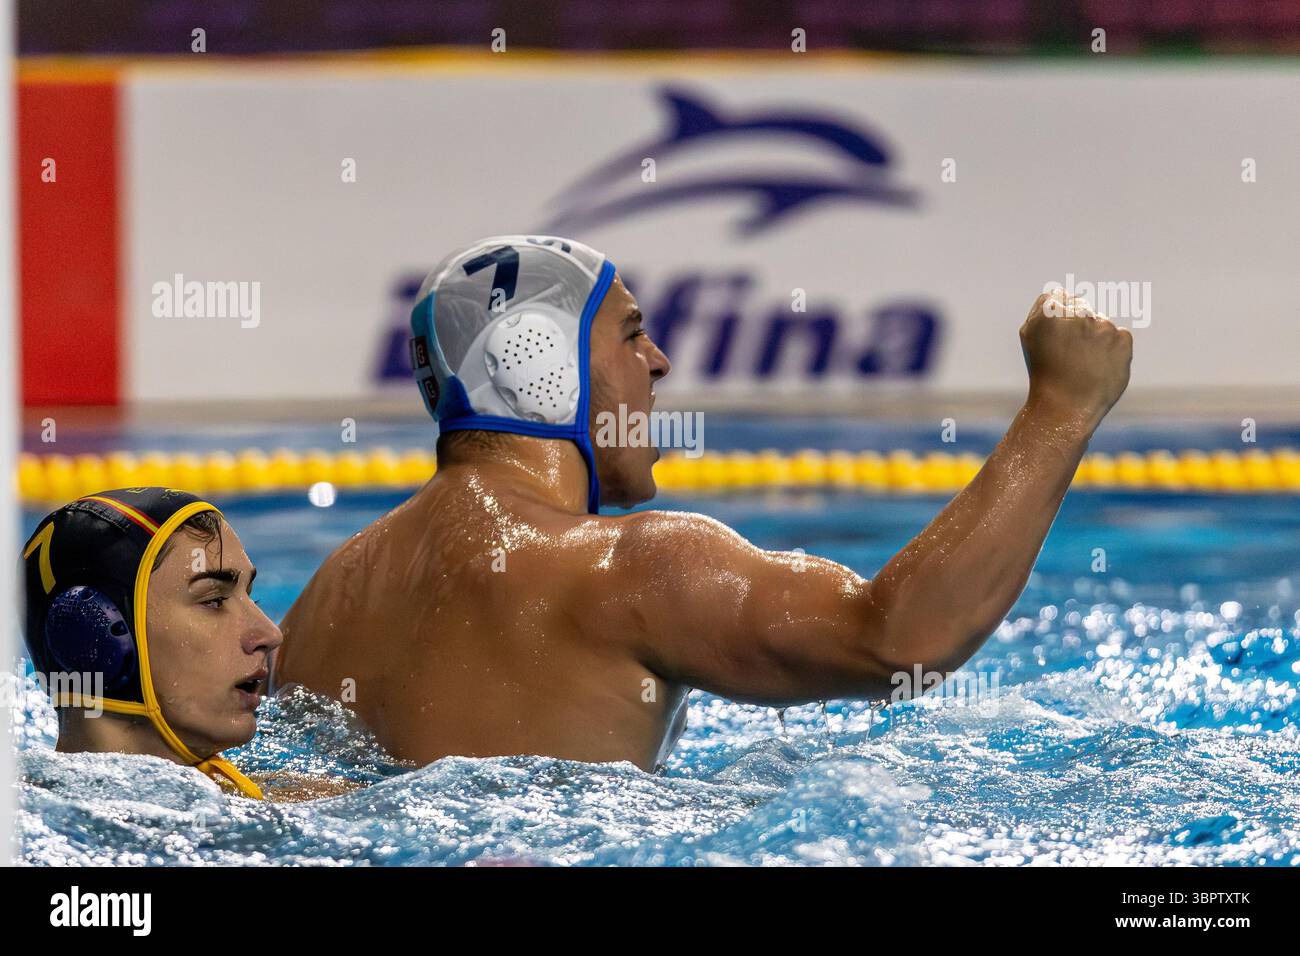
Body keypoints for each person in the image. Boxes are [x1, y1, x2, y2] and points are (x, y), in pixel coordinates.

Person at [273, 234, 1133, 772]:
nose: (658, 362)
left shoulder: (324, 602)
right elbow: (898, 641)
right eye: (629, 332)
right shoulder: (630, 566)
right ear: (537, 361)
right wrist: (1060, 409)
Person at [22, 488, 290, 797]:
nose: (270, 634)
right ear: (96, 634)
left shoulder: (272, 795)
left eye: (251, 597)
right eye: (214, 601)